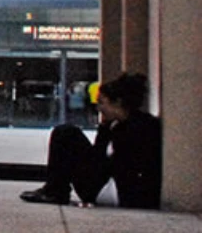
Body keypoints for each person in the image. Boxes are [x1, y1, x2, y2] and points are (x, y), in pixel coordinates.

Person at [20, 72, 162, 208]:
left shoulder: (136, 128)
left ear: (117, 103)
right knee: (67, 133)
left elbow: (108, 162)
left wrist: (104, 133)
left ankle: (55, 190)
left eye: (102, 103)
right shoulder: (123, 125)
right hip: (113, 186)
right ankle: (55, 189)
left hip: (119, 190)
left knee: (65, 133)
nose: (98, 108)